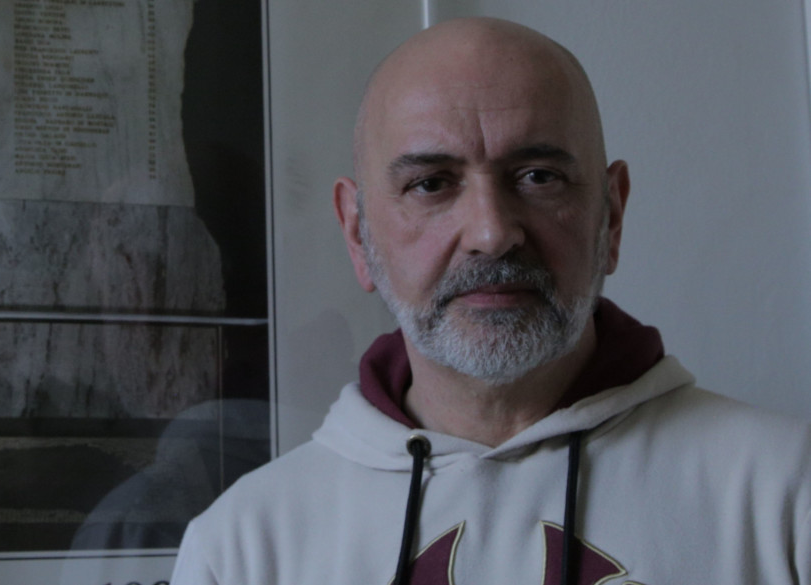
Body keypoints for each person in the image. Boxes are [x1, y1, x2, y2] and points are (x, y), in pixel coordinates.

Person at [170, 17, 811, 585]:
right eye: (431, 184)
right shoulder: (242, 550)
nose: (491, 231)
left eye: (538, 176)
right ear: (357, 233)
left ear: (611, 216)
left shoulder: (789, 496)